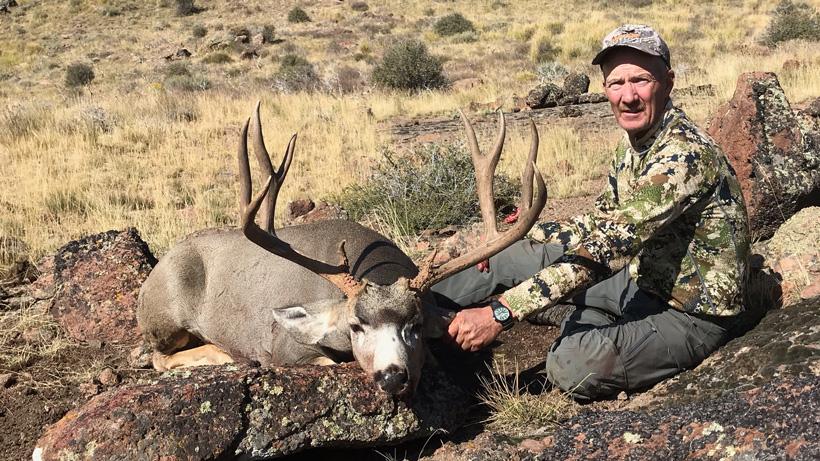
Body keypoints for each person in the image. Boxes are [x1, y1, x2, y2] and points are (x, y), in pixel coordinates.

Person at [431, 24, 750, 400]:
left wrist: (499, 313)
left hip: (690, 315)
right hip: (639, 280)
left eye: (640, 80)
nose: (628, 96)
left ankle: (587, 325)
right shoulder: (634, 148)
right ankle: (409, 319)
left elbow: (605, 248)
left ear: (668, 81)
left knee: (571, 364)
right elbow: (597, 225)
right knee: (502, 257)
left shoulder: (682, 155)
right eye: (616, 83)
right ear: (604, 89)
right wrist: (518, 236)